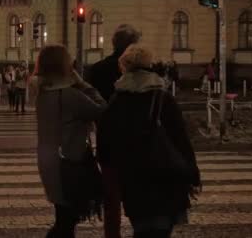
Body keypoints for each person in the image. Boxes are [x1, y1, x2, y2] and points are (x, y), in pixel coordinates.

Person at [98, 45, 201, 238]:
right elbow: (181, 139)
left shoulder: (118, 100)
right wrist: (192, 174)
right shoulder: (163, 98)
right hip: (166, 178)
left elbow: (106, 144)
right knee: (161, 232)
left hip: (134, 181)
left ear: (124, 68)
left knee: (142, 229)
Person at [35, 44, 106, 238]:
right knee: (66, 223)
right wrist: (84, 84)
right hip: (70, 164)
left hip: (49, 161)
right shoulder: (71, 96)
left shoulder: (43, 93)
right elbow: (103, 111)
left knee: (64, 217)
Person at [88, 24, 141, 238]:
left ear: (113, 43)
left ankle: (112, 234)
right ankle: (142, 229)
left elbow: (92, 104)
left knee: (111, 195)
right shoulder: (142, 73)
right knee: (138, 192)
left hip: (107, 139)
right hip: (137, 140)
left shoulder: (98, 69)